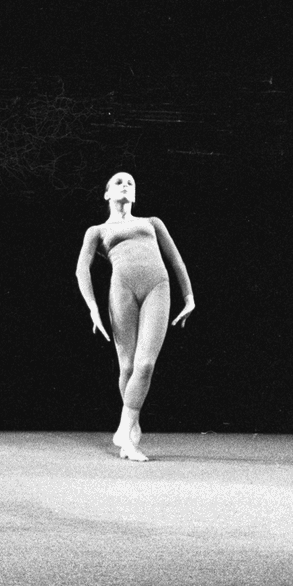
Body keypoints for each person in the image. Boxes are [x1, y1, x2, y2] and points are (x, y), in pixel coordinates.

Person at [75, 172, 195, 461]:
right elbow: (82, 270)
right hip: (122, 290)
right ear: (107, 194)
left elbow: (176, 260)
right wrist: (92, 307)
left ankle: (125, 436)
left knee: (145, 364)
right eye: (118, 182)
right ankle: (131, 423)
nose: (125, 185)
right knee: (127, 367)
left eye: (130, 183)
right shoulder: (97, 231)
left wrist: (189, 297)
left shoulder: (151, 223)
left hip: (157, 286)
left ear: (135, 194)